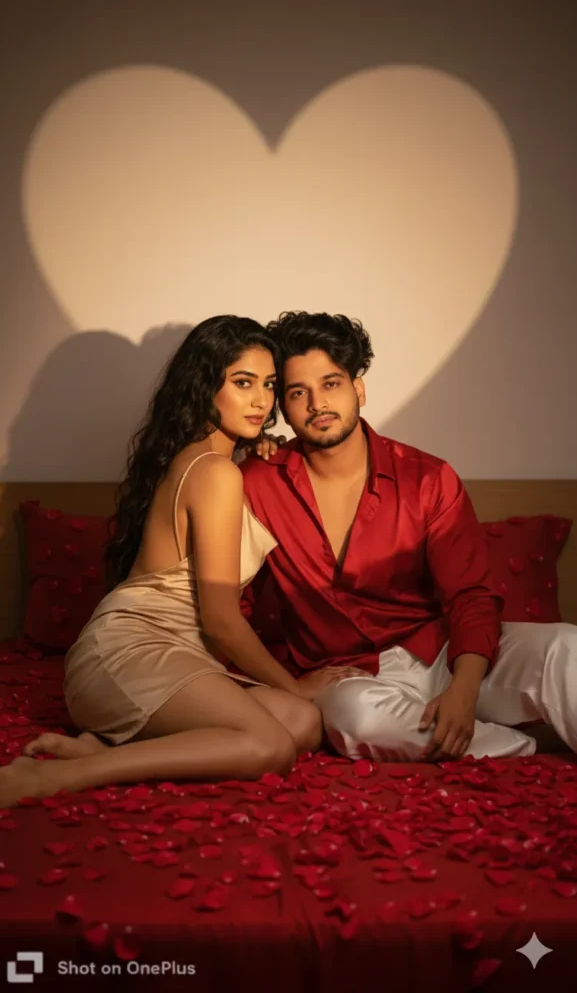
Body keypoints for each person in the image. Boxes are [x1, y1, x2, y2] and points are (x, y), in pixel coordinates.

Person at [0, 316, 349, 810]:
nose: (262, 401)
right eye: (242, 383)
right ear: (205, 387)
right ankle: (68, 775)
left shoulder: (211, 460)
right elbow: (222, 622)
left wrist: (255, 449)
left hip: (172, 656)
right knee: (272, 745)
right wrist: (296, 684)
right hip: (126, 654)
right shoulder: (216, 472)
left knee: (301, 723)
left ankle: (105, 742)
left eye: (269, 385)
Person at [238, 310, 577, 763]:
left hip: (444, 652)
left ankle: (463, 722)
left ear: (358, 387)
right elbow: (231, 603)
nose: (317, 403)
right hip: (353, 680)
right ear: (283, 405)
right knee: (355, 717)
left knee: (565, 646)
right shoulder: (259, 484)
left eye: (331, 383)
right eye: (299, 392)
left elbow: (471, 596)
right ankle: (526, 752)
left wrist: (463, 689)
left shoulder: (427, 477)